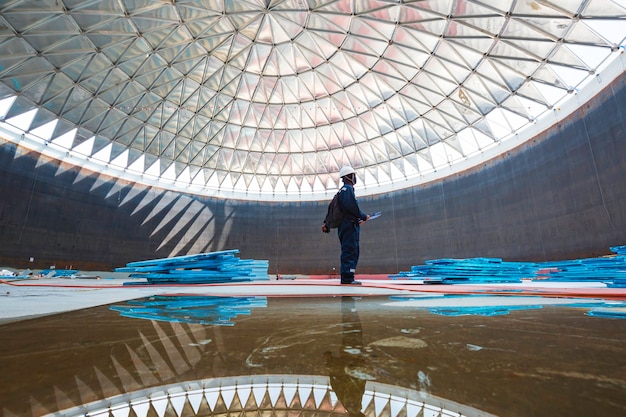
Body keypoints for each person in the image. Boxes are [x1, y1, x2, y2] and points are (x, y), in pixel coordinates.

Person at [324, 165, 369, 285]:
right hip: (350, 226)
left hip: (344, 225)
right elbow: (351, 207)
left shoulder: (340, 192)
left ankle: (347, 276)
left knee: (347, 249)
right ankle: (348, 278)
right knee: (351, 250)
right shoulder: (348, 190)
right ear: (350, 177)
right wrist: (363, 216)